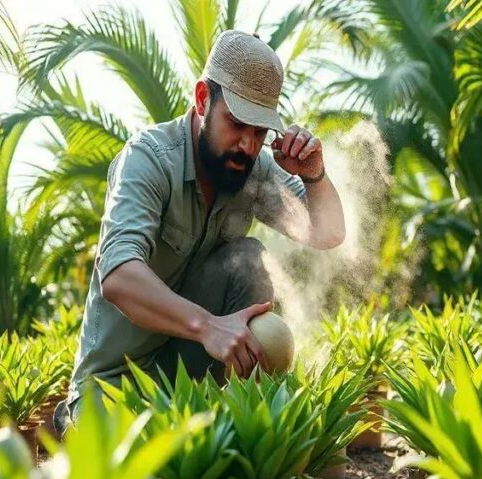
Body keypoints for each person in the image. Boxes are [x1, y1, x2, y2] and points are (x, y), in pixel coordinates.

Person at [54, 30, 346, 436]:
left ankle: (243, 422)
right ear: (203, 99)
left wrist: (314, 175)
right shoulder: (148, 158)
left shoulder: (253, 169)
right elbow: (118, 275)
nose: (247, 144)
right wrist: (208, 325)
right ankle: (74, 423)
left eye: (260, 131)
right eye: (238, 123)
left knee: (249, 259)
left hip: (187, 378)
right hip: (113, 382)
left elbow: (327, 233)